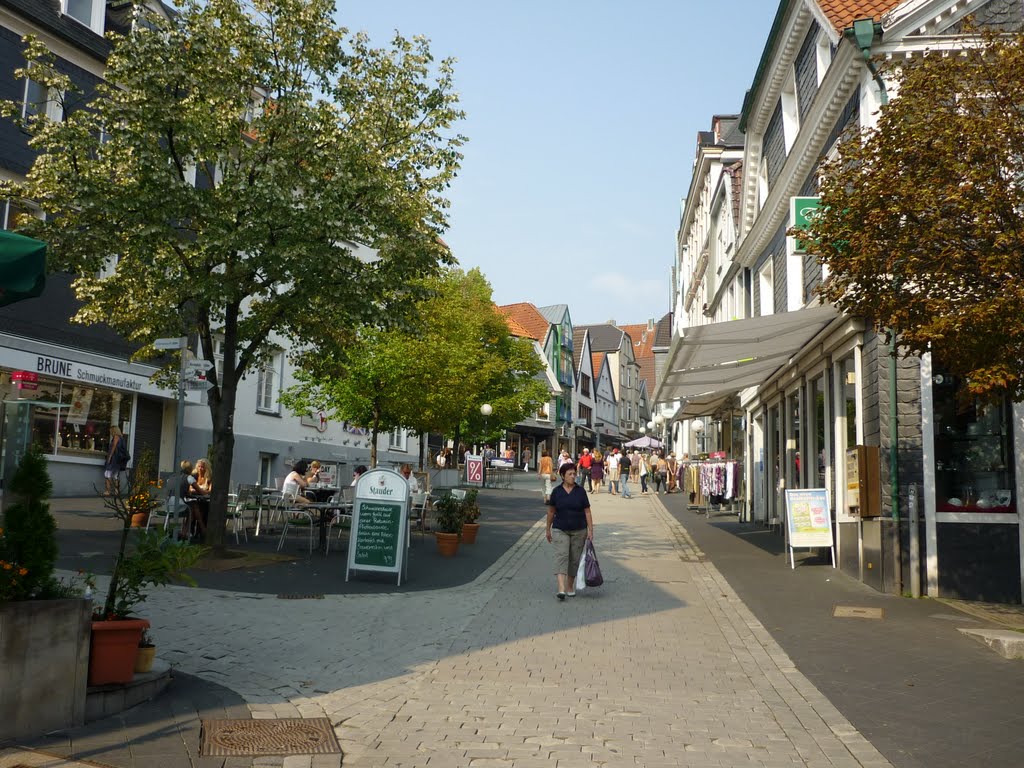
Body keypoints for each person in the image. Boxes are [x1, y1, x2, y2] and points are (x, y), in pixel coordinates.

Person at [545, 462, 593, 601]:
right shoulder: (557, 492)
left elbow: (587, 511)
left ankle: (570, 586)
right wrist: (547, 529)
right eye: (570, 474)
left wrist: (591, 530)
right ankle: (561, 588)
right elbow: (551, 512)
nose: (573, 476)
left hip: (579, 530)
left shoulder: (580, 491)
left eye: (574, 474)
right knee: (562, 556)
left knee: (574, 559)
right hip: (560, 529)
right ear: (562, 476)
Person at [186, 457, 212, 540]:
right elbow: (190, 488)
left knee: (199, 508)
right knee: (193, 507)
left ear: (206, 468)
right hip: (194, 499)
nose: (200, 468)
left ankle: (198, 531)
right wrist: (201, 491)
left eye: (202, 467)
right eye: (199, 466)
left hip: (205, 501)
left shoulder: (209, 478)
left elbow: (210, 490)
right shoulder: (194, 476)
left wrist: (201, 490)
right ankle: (193, 531)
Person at [103, 426, 128, 495]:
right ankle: (116, 491)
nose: (110, 433)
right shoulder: (122, 438)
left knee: (107, 474)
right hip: (118, 459)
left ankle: (108, 491)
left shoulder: (116, 437)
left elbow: (114, 446)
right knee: (115, 475)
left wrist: (110, 456)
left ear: (114, 431)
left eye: (111, 431)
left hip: (113, 458)